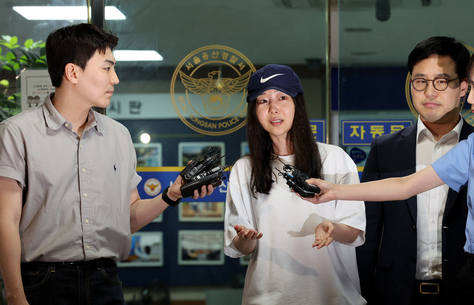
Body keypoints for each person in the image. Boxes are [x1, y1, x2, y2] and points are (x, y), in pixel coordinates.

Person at [306, 41, 474, 304]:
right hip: (473, 281)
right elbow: (406, 186)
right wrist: (334, 191)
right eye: (470, 88)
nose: (469, 98)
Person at [0, 23, 212, 305]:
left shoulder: (118, 135)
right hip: (42, 283)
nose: (115, 79)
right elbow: (6, 220)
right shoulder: (17, 133)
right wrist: (15, 296)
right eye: (106, 68)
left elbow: (128, 217)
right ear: (72, 72)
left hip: (106, 281)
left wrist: (171, 194)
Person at [224, 64, 366, 304]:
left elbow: (354, 232)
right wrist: (246, 238)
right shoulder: (244, 169)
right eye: (262, 101)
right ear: (254, 111)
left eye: (282, 97)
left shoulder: (335, 158)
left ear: (297, 104)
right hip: (267, 297)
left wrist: (332, 228)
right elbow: (239, 245)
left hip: (332, 296)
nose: (274, 109)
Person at [356, 36, 474, 305]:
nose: (429, 92)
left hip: (467, 293)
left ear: (463, 87)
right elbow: (369, 229)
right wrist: (361, 291)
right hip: (395, 292)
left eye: (441, 81)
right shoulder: (385, 148)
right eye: (420, 81)